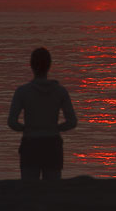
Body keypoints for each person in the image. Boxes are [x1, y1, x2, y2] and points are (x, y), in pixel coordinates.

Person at [8, 47, 77, 180]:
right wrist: (56, 128)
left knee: (29, 187)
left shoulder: (23, 91)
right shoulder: (60, 91)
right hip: (52, 143)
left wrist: (25, 128)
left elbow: (12, 122)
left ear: (31, 65)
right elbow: (72, 122)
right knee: (52, 189)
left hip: (30, 143)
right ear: (49, 65)